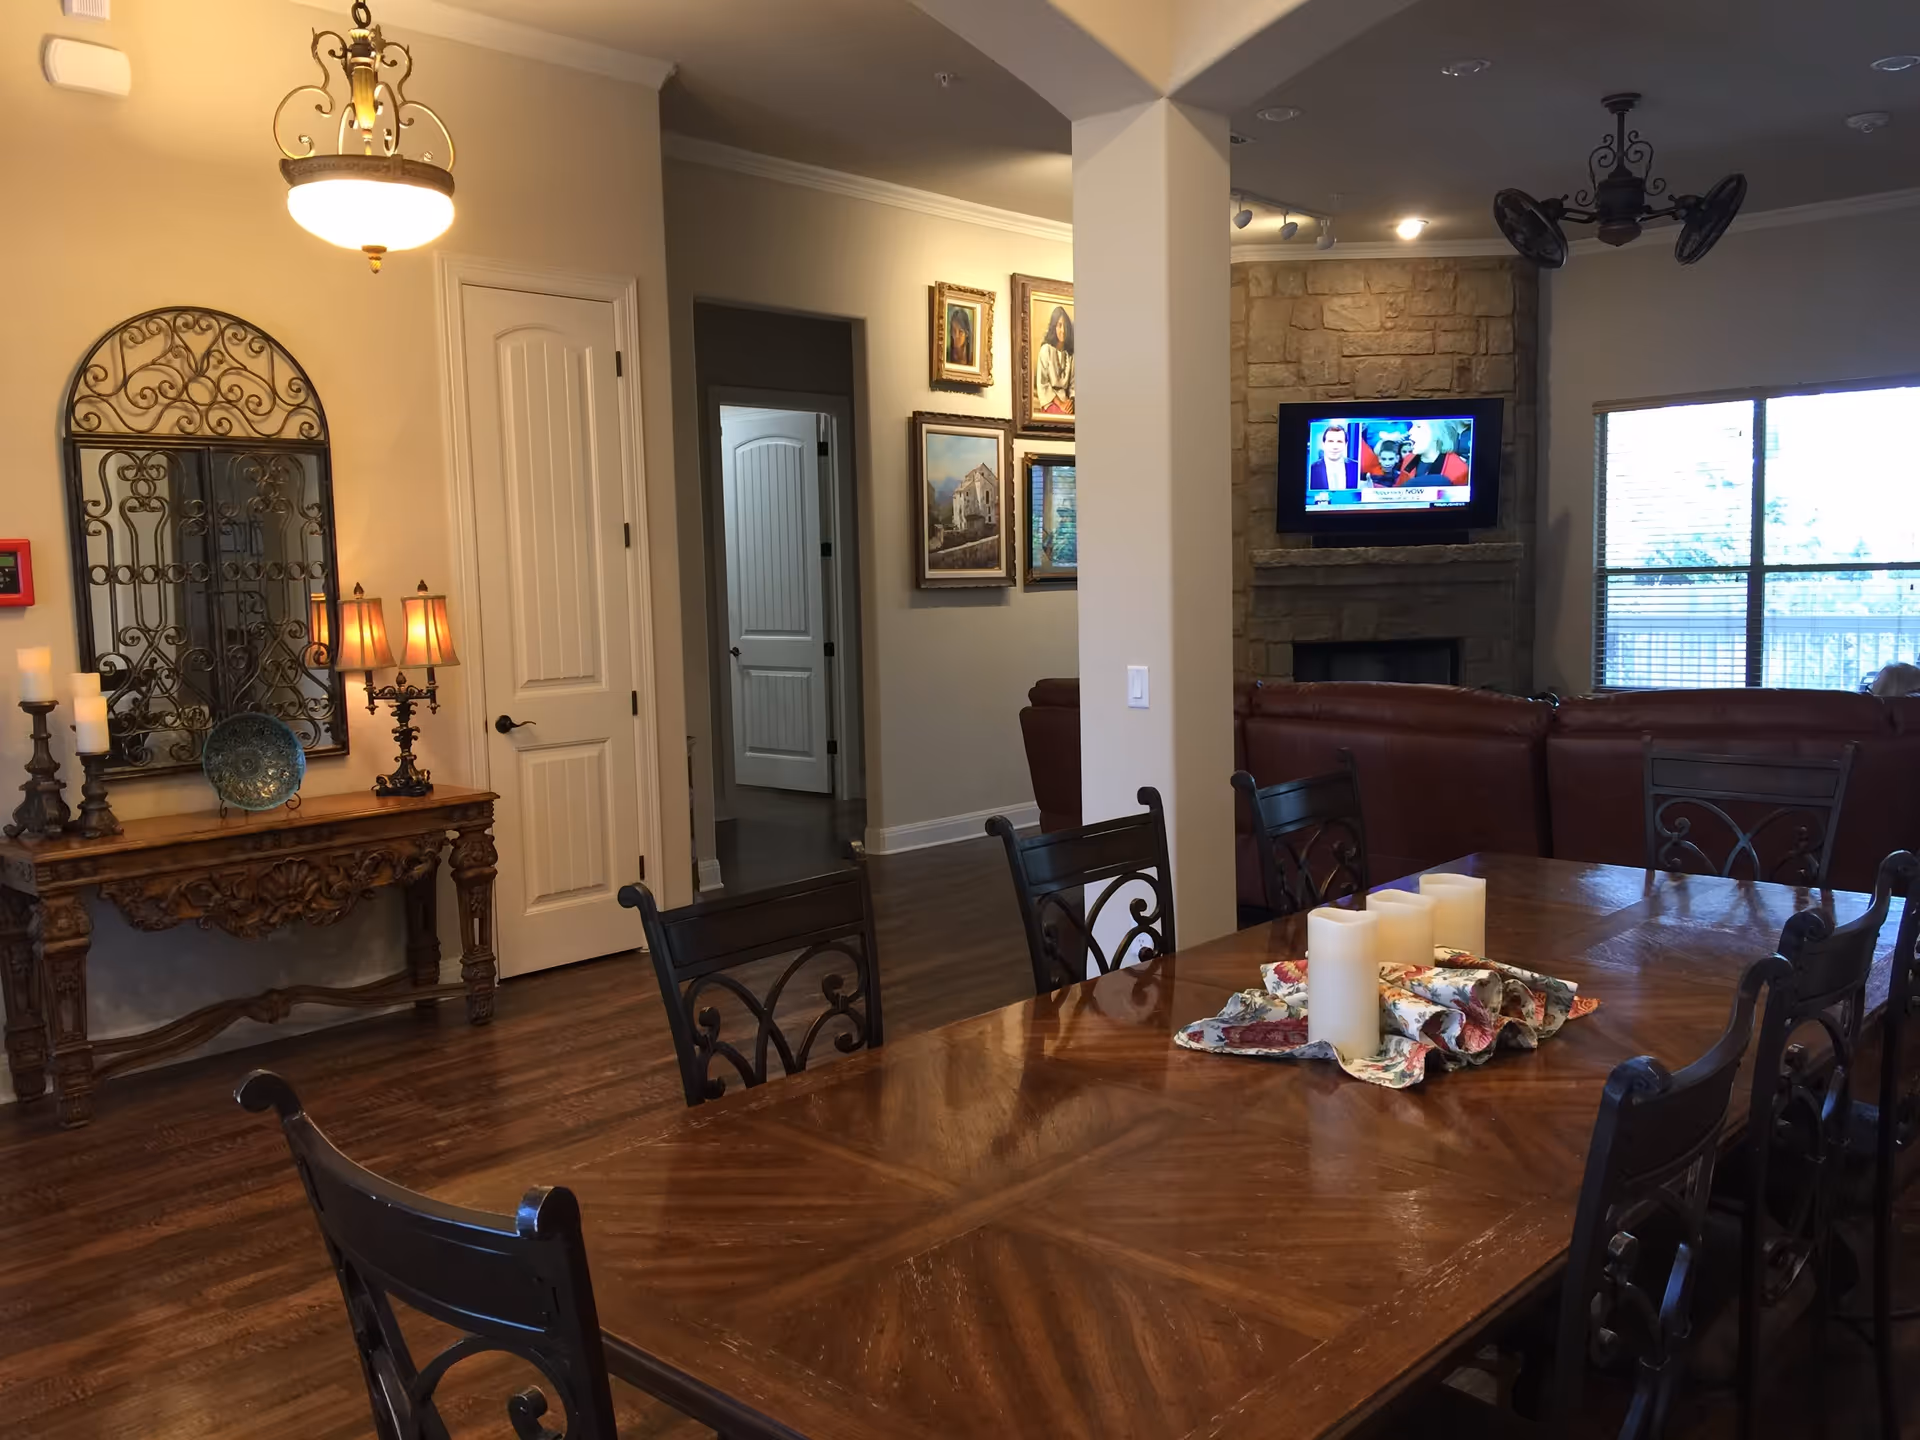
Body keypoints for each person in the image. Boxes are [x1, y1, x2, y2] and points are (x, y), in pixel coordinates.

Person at [1397, 418, 1471, 485]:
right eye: (1413, 426)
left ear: (1437, 434)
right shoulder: (1408, 459)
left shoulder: (1459, 469)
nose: (1410, 431)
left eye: (1418, 427)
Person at [1035, 305, 1074, 415]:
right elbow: (1043, 384)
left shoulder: (1070, 354)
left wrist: (1070, 402)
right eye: (1059, 325)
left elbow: (1073, 384)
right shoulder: (1045, 350)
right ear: (1054, 327)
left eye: (1065, 326)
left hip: (1066, 401)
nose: (1063, 330)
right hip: (1051, 401)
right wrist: (1060, 404)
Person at [1308, 423, 1360, 490]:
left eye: (1339, 442)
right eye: (1330, 441)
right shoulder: (1311, 470)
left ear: (1346, 444)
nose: (1335, 446)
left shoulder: (1356, 467)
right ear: (1323, 444)